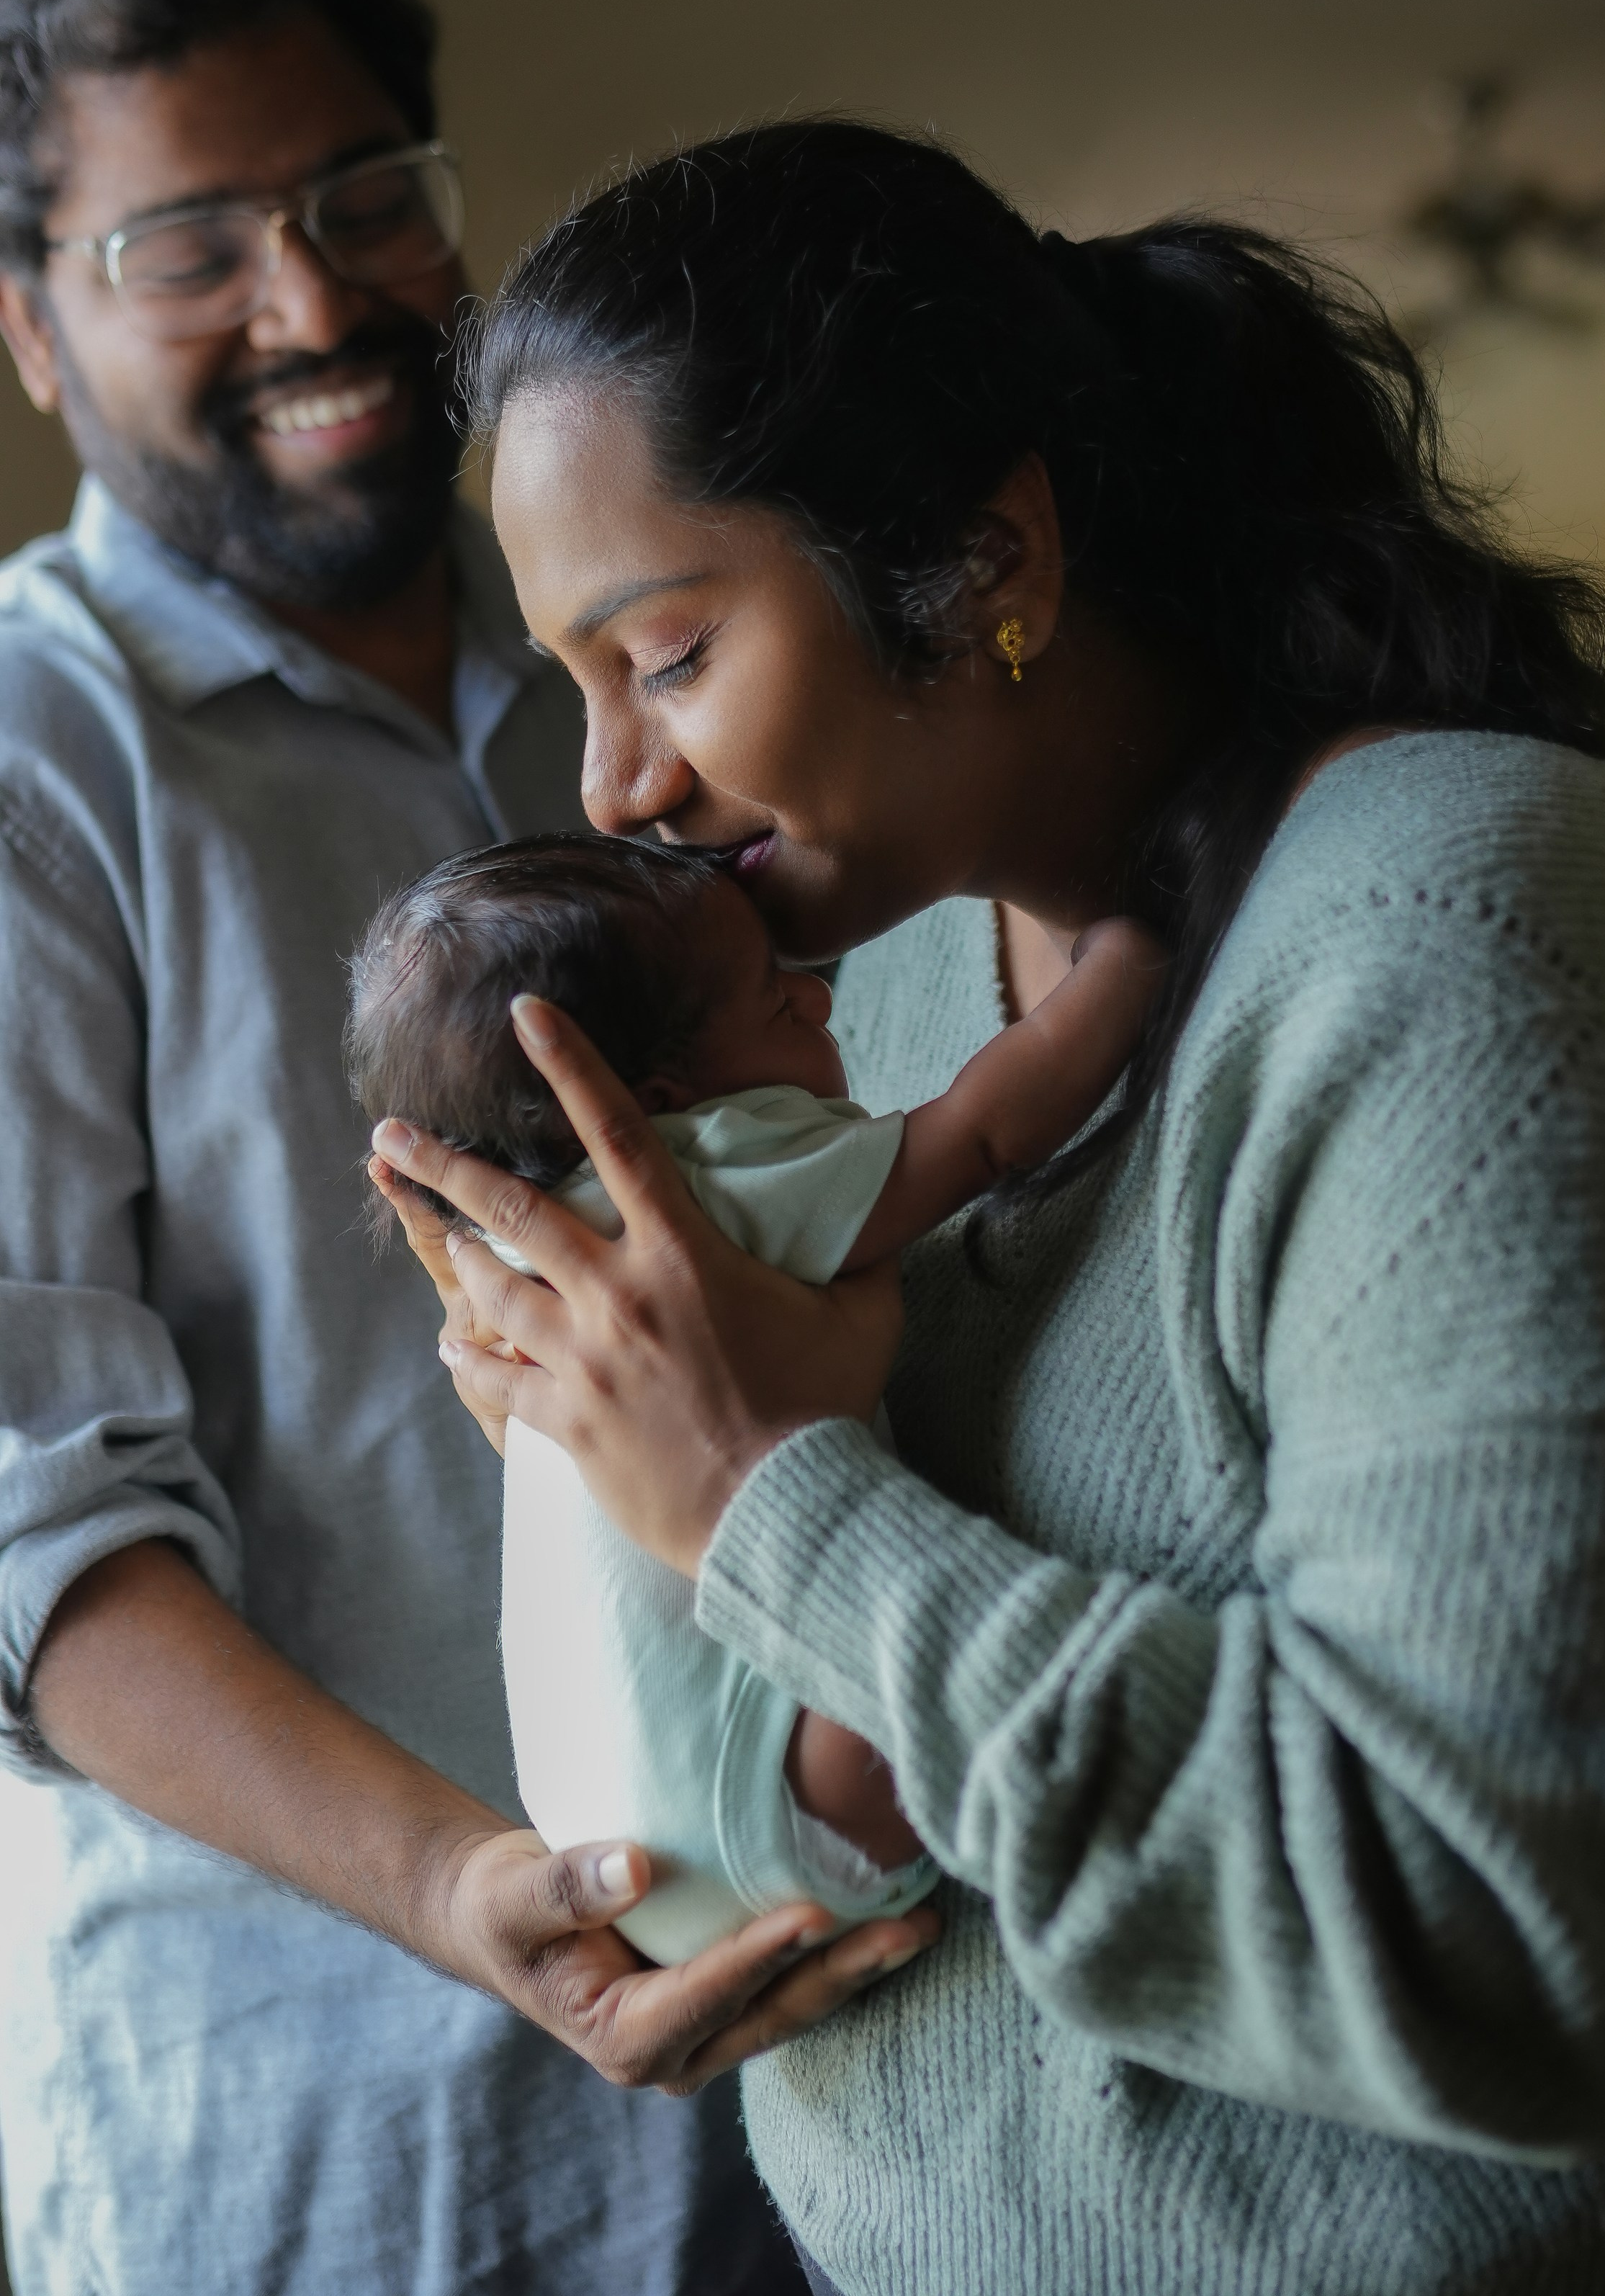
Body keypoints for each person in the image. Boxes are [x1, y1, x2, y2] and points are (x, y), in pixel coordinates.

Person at [374, 120, 1605, 2296]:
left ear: (991, 563)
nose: (614, 782)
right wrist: (606, 1481)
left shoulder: (1455, 940)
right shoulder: (857, 964)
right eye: (573, 682)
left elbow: (1487, 1925)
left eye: (660, 652)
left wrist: (762, 1501)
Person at [0, 0, 943, 2296]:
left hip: (859, 2160)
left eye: (358, 199)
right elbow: (34, 1536)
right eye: (185, 246)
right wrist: (472, 1894)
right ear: (37, 333)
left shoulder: (665, 654)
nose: (311, 304)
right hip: (347, 2249)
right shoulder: (39, 768)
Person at [348, 828, 1158, 1960]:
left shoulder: (518, 1268)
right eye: (780, 1006)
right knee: (909, 1712)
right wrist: (1128, 953)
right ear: (663, 1097)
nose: (820, 1011)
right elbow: (981, 1132)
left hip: (600, 1846)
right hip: (773, 1786)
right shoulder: (693, 1172)